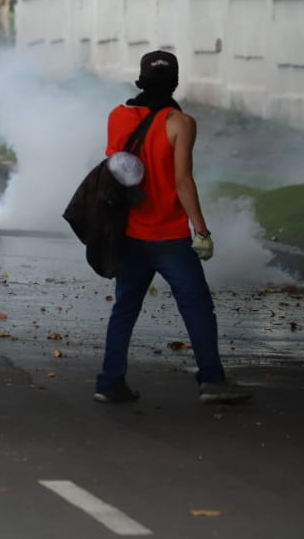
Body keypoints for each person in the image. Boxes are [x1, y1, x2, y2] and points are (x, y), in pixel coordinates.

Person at [94, 51, 251, 405]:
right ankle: (211, 381)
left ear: (141, 79)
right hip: (169, 238)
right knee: (196, 307)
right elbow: (182, 181)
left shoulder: (117, 117)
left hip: (129, 234)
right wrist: (202, 230)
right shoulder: (181, 122)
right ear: (175, 82)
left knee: (124, 309)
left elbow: (116, 169)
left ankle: (108, 381)